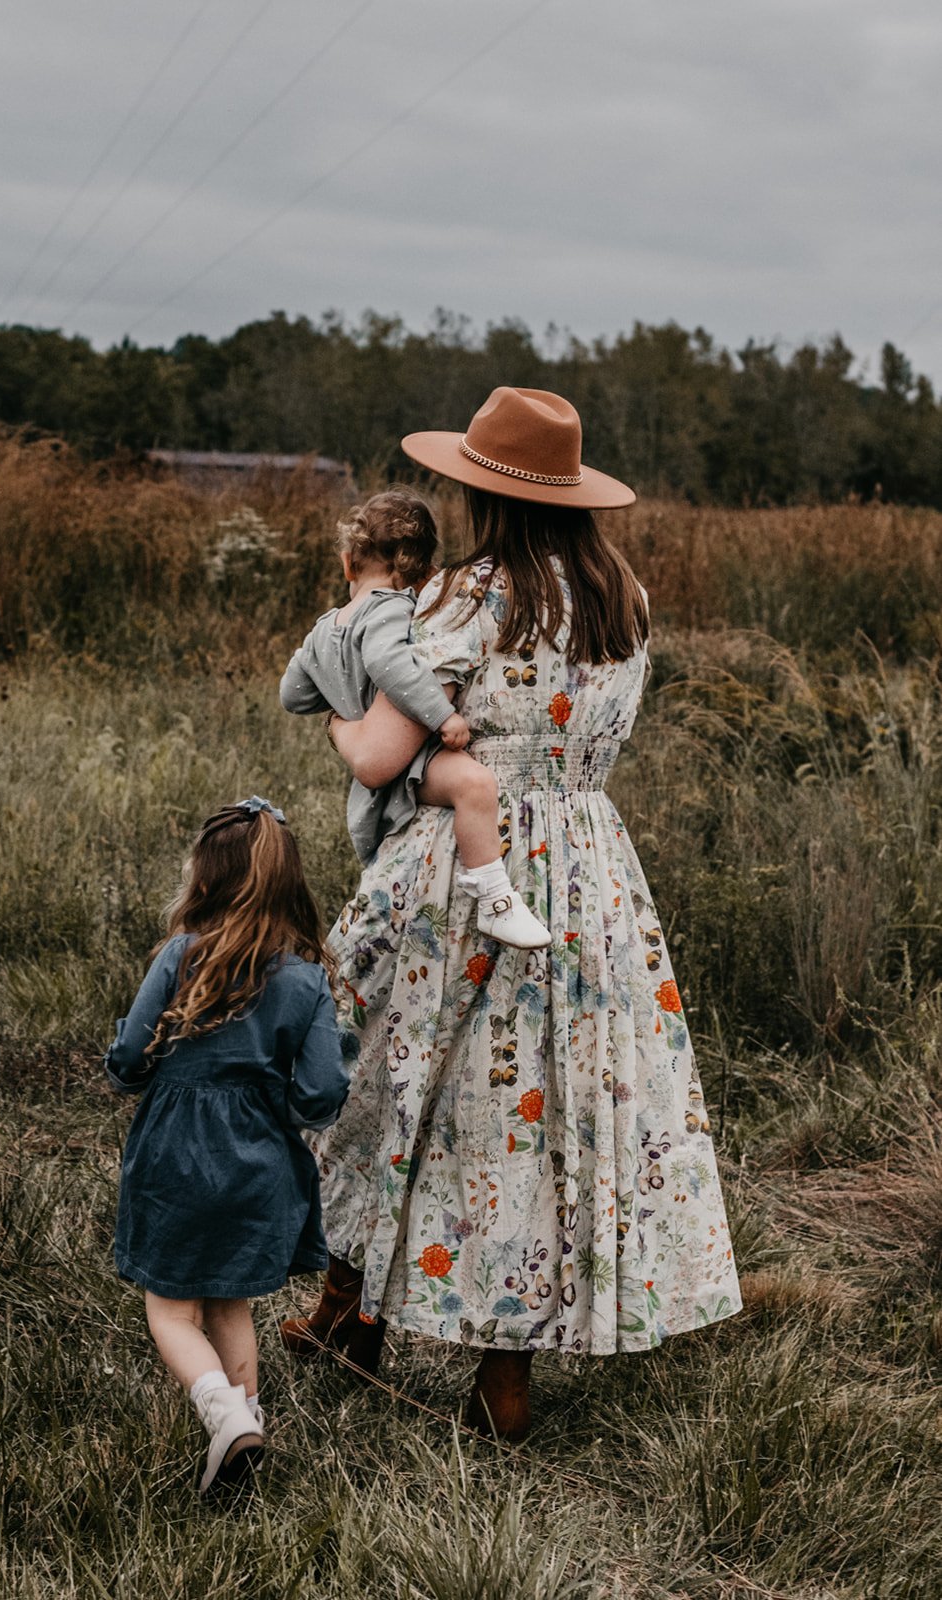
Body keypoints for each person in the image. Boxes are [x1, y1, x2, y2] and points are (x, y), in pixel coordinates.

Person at [280, 388, 742, 1441]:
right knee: (548, 1109)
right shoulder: (621, 596)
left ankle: (349, 1315)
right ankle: (498, 1379)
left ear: (477, 490)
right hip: (586, 875)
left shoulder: (459, 597)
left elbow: (387, 754)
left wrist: (346, 698)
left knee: (387, 1079)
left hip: (462, 869)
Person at [104, 797, 348, 1494]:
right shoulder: (306, 981)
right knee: (230, 1300)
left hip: (175, 1154)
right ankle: (249, 1430)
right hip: (262, 1158)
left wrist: (130, 1065)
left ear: (204, 882)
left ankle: (224, 1418)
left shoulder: (181, 956)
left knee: (172, 1308)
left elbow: (129, 1061)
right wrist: (281, 1104)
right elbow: (322, 1093)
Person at [280, 488, 549, 950]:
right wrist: (442, 715)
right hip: (410, 758)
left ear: (348, 562)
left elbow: (293, 694)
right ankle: (495, 900)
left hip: (375, 771)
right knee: (475, 784)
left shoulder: (325, 628)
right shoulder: (391, 609)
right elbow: (390, 663)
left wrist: (341, 703)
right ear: (423, 574)